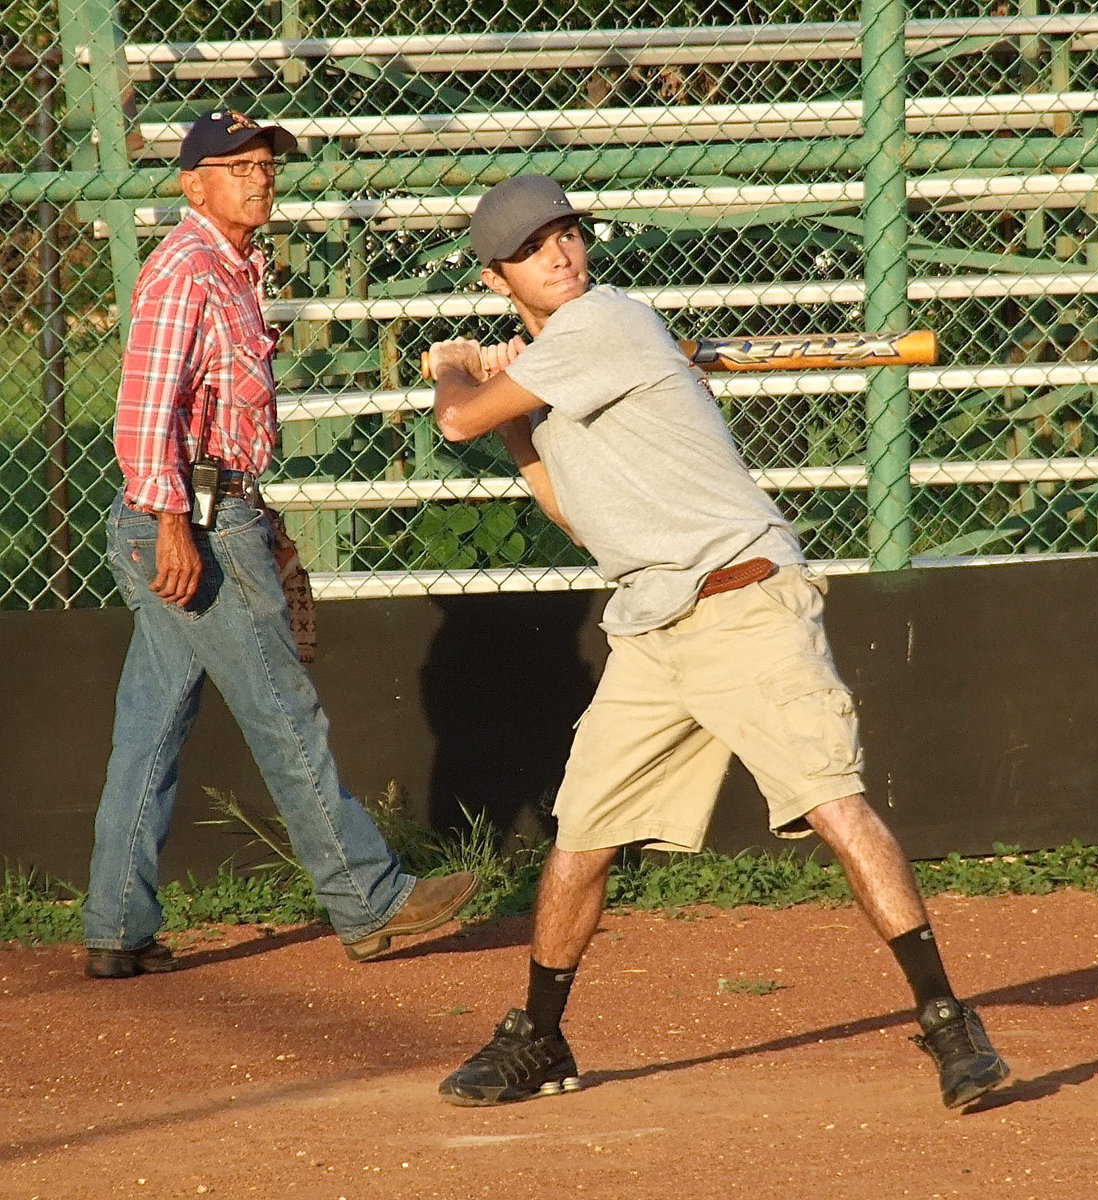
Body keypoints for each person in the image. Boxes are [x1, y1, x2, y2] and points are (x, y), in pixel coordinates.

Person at [424, 174, 1009, 1109]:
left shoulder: (606, 320)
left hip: (742, 602)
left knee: (832, 804)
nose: (561, 256)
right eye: (534, 250)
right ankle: (539, 1038)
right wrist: (519, 420)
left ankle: (949, 1024)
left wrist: (454, 368)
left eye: (568, 234)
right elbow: (577, 520)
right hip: (650, 627)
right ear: (499, 278)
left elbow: (452, 416)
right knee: (581, 838)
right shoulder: (561, 372)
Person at [82, 107, 478, 979]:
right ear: (193, 184)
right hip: (188, 518)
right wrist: (177, 524)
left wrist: (238, 511)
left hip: (209, 510)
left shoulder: (228, 266)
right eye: (238, 165)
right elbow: (147, 415)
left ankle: (116, 923)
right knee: (282, 711)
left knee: (151, 725)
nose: (260, 175)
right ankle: (367, 898)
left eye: (265, 162)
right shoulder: (188, 270)